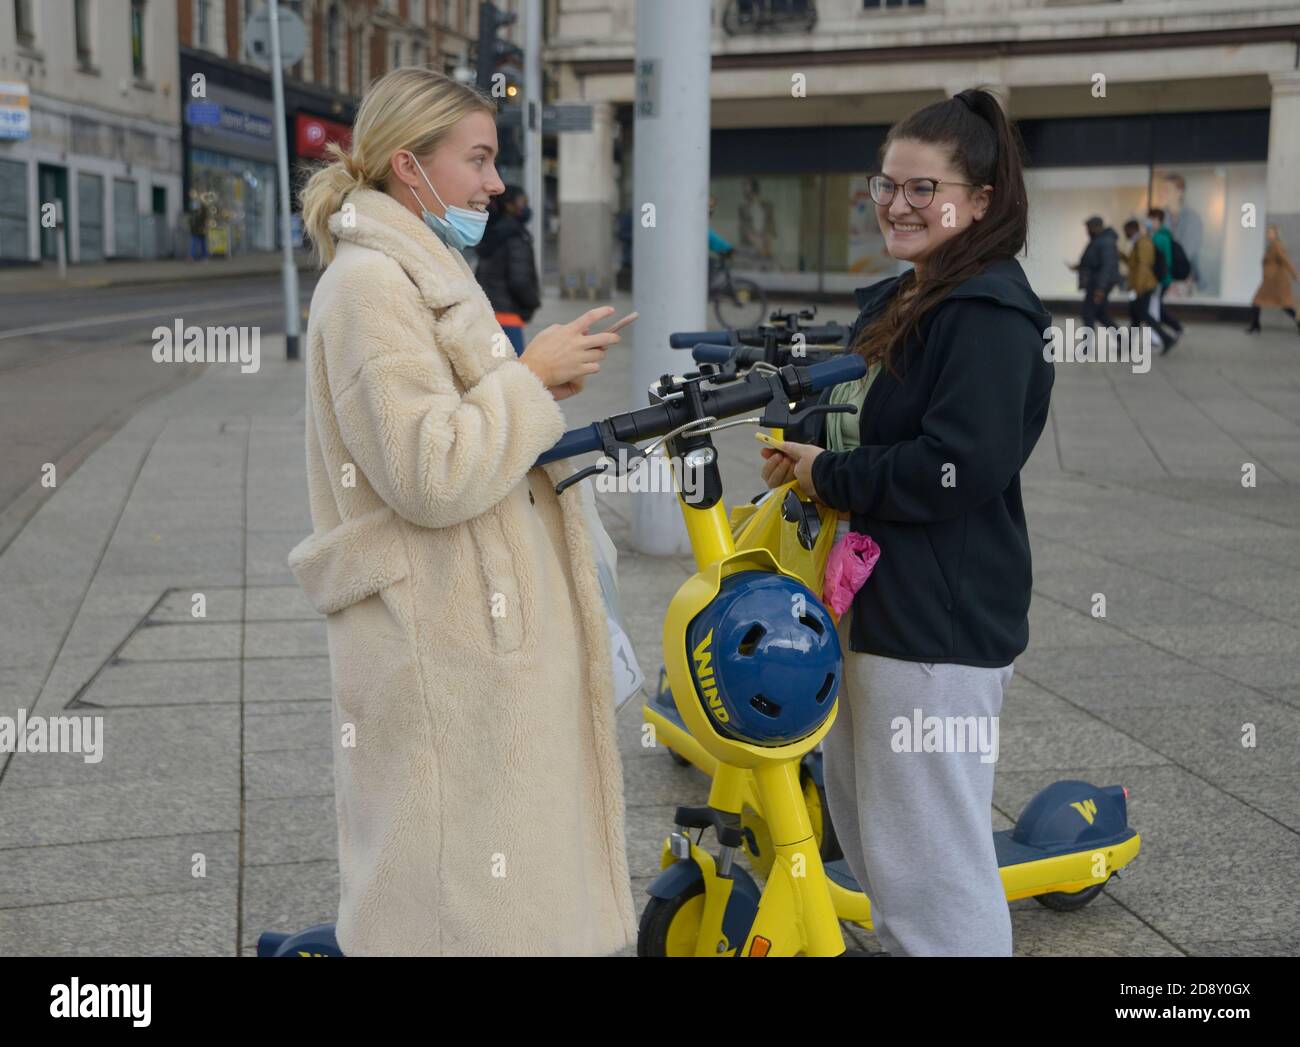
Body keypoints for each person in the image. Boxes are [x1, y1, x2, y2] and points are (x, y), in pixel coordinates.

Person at [293, 67, 634, 956]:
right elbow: (428, 469)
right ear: (410, 166)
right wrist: (534, 377)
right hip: (439, 630)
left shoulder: (421, 269)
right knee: (455, 893)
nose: (494, 182)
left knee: (493, 876)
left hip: (466, 625)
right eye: (477, 159)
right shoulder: (372, 287)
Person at [758, 88, 1054, 956]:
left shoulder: (989, 313)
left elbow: (957, 466)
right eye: (886, 183)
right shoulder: (909, 296)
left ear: (982, 201)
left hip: (937, 627)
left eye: (924, 188)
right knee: (883, 850)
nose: (896, 203)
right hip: (875, 607)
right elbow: (862, 408)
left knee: (933, 871)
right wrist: (806, 443)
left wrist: (836, 472)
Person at [475, 184, 541, 356]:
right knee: (511, 372)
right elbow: (520, 280)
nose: (524, 207)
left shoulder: (491, 232)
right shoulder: (515, 237)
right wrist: (532, 302)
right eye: (521, 202)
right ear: (509, 204)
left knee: (497, 367)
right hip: (507, 316)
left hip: (489, 314)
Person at [1121, 217, 1178, 351]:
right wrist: (1121, 255)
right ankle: (1128, 345)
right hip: (1141, 285)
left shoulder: (1143, 243)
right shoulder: (1139, 243)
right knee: (1136, 315)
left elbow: (1143, 267)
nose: (1125, 234)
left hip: (1144, 286)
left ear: (1132, 229)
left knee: (1142, 313)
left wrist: (1138, 287)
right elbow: (1133, 263)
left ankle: (1166, 338)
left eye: (1126, 231)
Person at [1245, 224, 1300, 336]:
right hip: (1270, 281)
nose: (1268, 235)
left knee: (1281, 304)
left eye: (1271, 233)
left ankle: (1256, 327)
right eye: (1268, 233)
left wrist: (1295, 275)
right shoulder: (1272, 246)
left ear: (1276, 234)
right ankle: (1255, 326)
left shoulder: (1277, 246)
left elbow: (1286, 261)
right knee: (1263, 302)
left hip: (1277, 282)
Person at [1069, 215, 1119, 331]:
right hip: (1096, 282)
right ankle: (1123, 340)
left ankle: (1087, 346)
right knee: (1099, 314)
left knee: (1088, 313)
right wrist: (1080, 266)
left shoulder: (1105, 241)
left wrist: (1100, 288)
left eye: (1089, 227)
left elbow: (1107, 266)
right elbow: (1093, 261)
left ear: (1097, 227)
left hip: (1099, 284)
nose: (1088, 230)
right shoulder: (1098, 240)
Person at [1147, 208, 1184, 353]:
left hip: (1158, 279)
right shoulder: (1159, 235)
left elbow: (1164, 261)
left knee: (1153, 308)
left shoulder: (1160, 238)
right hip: (1160, 279)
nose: (1148, 222)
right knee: (1155, 307)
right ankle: (1173, 329)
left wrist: (1159, 279)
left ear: (1157, 220)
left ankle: (1157, 337)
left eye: (1150, 219)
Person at [187, 197, 209, 261]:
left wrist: (203, 228)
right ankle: (191, 256)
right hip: (195, 231)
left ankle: (204, 256)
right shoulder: (194, 214)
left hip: (201, 231)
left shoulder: (203, 214)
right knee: (194, 243)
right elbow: (192, 222)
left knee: (203, 244)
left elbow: (203, 222)